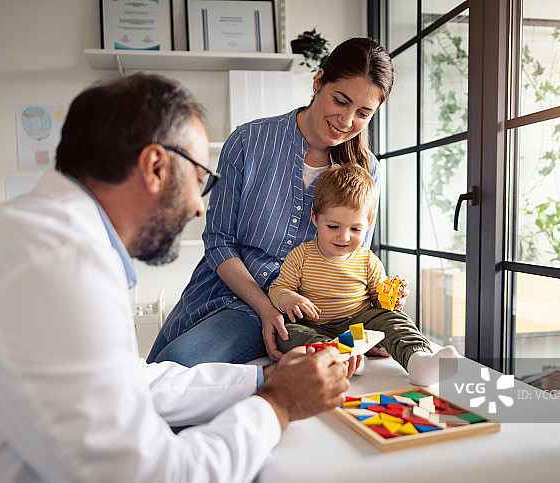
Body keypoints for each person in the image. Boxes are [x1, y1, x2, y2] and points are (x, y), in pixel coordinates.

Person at [0, 74, 359, 483]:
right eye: (200, 180)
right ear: (155, 166)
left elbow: (125, 380)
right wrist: (278, 404)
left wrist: (262, 379)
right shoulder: (58, 265)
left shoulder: (47, 240)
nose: (199, 206)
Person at [148, 37, 395, 366]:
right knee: (149, 374)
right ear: (318, 81)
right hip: (217, 288)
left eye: (363, 113)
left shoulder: (367, 171)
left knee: (175, 364)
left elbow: (355, 262)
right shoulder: (249, 141)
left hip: (293, 312)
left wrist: (373, 319)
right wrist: (265, 306)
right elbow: (219, 240)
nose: (347, 121)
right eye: (340, 101)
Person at [268, 164, 460, 386]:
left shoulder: (367, 259)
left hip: (359, 327)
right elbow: (277, 288)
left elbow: (380, 304)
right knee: (286, 333)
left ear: (368, 225)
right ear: (315, 218)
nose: (344, 237)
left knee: (395, 320)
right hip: (315, 327)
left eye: (355, 229)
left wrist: (394, 299)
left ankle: (418, 361)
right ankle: (343, 358)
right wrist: (289, 299)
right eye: (333, 226)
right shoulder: (301, 255)